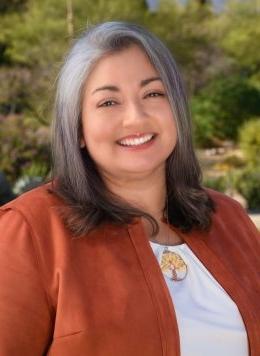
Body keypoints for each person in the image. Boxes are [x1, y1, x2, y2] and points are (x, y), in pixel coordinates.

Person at [0, 21, 259, 356]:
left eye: (153, 93)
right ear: (78, 128)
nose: (135, 117)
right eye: (109, 102)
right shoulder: (28, 232)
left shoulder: (231, 220)